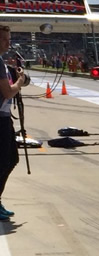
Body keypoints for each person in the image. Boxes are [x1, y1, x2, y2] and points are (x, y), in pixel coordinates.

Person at [0, 26, 26, 221]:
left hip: (4, 115)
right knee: (6, 160)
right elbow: (8, 92)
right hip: (0, 118)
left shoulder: (2, 62)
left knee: (10, 159)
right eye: (3, 39)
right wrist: (19, 82)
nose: (8, 43)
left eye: (8, 39)